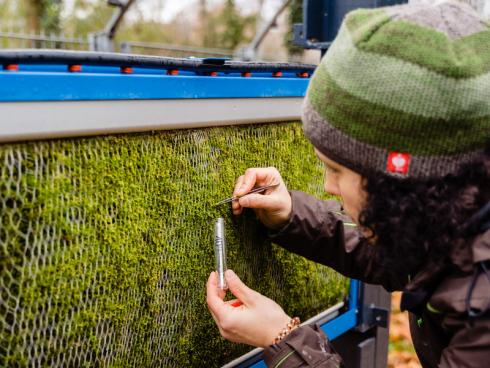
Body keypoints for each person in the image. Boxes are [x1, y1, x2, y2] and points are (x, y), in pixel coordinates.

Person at [206, 1, 490, 367]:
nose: (328, 186)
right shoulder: (461, 216)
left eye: (338, 170)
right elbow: (401, 252)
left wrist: (283, 340)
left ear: (399, 181)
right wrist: (290, 215)